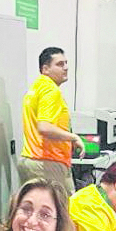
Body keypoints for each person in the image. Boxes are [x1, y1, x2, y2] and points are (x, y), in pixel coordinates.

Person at [18, 47, 85, 194]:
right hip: (48, 162)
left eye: (66, 63)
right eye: (60, 64)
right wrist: (73, 137)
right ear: (45, 69)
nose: (66, 68)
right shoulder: (51, 91)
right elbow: (44, 127)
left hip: (30, 160)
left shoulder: (36, 88)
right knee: (64, 211)